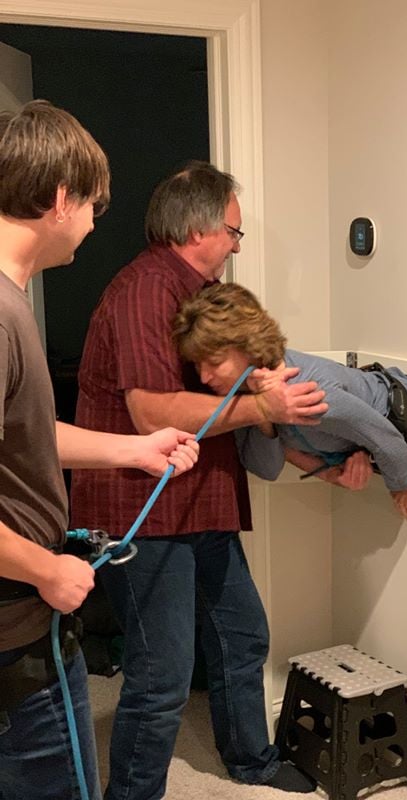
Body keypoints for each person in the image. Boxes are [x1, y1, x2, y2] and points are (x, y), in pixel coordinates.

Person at [69, 161, 331, 798]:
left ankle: (250, 761)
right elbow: (152, 411)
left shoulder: (199, 298)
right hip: (145, 509)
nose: (237, 249)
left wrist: (315, 456)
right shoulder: (145, 290)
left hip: (200, 503)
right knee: (161, 676)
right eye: (236, 234)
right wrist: (264, 407)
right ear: (201, 227)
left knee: (243, 636)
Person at [0, 100, 199, 800]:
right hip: (14, 632)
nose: (92, 222)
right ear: (59, 199)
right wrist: (46, 570)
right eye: (91, 204)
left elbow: (27, 432)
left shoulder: (12, 302)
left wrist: (135, 451)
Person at [172, 281, 407, 522]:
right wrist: (263, 414)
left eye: (215, 363)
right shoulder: (246, 392)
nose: (204, 377)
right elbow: (266, 469)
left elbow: (384, 437)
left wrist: (405, 485)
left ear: (248, 349)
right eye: (198, 364)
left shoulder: (310, 393)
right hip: (369, 443)